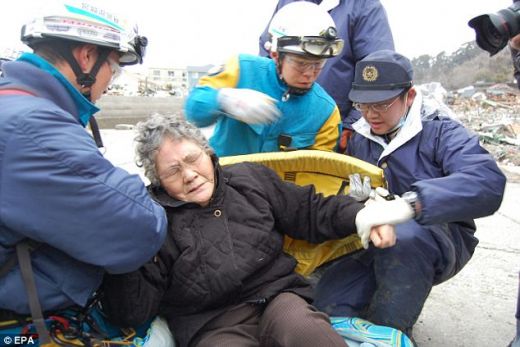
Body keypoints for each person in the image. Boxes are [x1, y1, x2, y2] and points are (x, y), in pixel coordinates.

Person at [100, 113, 417, 347]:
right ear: (159, 182)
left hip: (277, 298)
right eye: (172, 171)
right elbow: (131, 309)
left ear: (208, 153)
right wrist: (122, 255)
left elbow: (310, 210)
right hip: (210, 325)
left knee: (310, 334)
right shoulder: (152, 219)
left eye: (192, 159)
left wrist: (364, 215)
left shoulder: (250, 179)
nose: (189, 174)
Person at [0, 1, 167, 344]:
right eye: (114, 69)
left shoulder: (18, 105)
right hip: (26, 319)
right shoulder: (33, 127)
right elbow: (137, 231)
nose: (109, 83)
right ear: (87, 57)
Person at [312, 50, 507, 339]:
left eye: (381, 104)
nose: (370, 114)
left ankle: (394, 330)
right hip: (368, 238)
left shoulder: (441, 132)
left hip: (435, 238)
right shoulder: (355, 135)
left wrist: (410, 205)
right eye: (363, 104)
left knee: (404, 242)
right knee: (324, 311)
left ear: (410, 96)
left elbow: (488, 181)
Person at [185, 1, 343, 157]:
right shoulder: (241, 69)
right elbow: (193, 111)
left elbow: (319, 170)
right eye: (301, 63)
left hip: (278, 183)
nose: (310, 73)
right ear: (275, 55)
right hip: (223, 178)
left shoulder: (326, 113)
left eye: (318, 64)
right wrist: (222, 100)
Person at [259, 0, 395, 152]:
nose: (309, 73)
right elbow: (268, 50)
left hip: (335, 125)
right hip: (274, 122)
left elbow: (376, 71)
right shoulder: (287, 3)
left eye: (318, 65)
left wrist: (353, 124)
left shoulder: (364, 6)